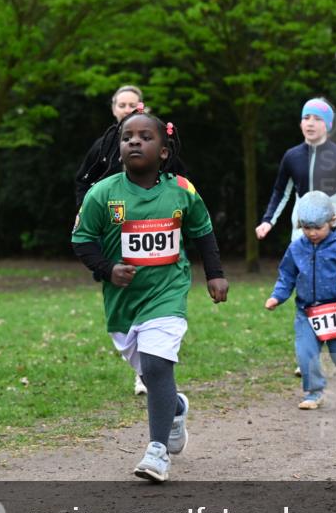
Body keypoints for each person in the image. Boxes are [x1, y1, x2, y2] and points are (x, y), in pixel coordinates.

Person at [72, 109, 228, 483]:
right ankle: (175, 407)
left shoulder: (182, 191)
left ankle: (157, 452)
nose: (135, 142)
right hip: (123, 305)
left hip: (168, 294)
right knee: (153, 373)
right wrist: (108, 269)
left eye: (145, 137)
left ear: (163, 150)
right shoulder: (102, 194)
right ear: (120, 147)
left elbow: (203, 232)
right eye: (128, 138)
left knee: (158, 366)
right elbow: (82, 241)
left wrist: (215, 274)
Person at [75, 86, 187, 397]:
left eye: (131, 103)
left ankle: (148, 373)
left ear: (142, 106)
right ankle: (143, 364)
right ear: (113, 110)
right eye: (120, 104)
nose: (126, 108)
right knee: (122, 315)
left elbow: (180, 177)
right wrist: (88, 211)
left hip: (156, 232)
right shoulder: (104, 146)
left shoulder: (160, 145)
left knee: (156, 301)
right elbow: (83, 180)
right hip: (114, 233)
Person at [265, 192, 336, 409]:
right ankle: (314, 393)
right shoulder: (296, 248)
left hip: (335, 308)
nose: (312, 233)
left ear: (331, 222)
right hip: (306, 311)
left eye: (317, 228)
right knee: (305, 354)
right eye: (306, 227)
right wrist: (277, 296)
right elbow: (287, 276)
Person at [255, 98, 336, 243]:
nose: (310, 123)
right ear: (301, 124)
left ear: (328, 125)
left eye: (318, 119)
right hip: (301, 235)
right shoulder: (291, 156)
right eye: (306, 118)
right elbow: (280, 192)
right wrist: (267, 221)